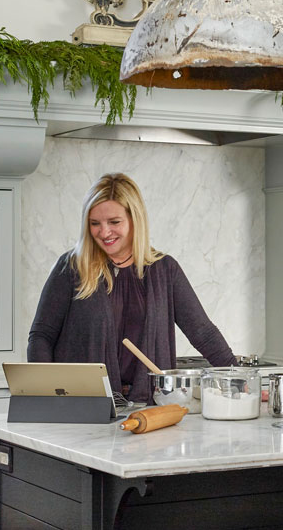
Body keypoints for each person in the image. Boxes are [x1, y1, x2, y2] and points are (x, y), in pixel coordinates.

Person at [28, 172, 234, 402]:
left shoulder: (164, 270)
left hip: (147, 405)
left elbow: (203, 333)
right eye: (95, 223)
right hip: (84, 404)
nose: (104, 232)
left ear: (135, 219)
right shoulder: (73, 267)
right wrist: (45, 394)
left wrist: (238, 382)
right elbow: (42, 336)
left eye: (114, 222)